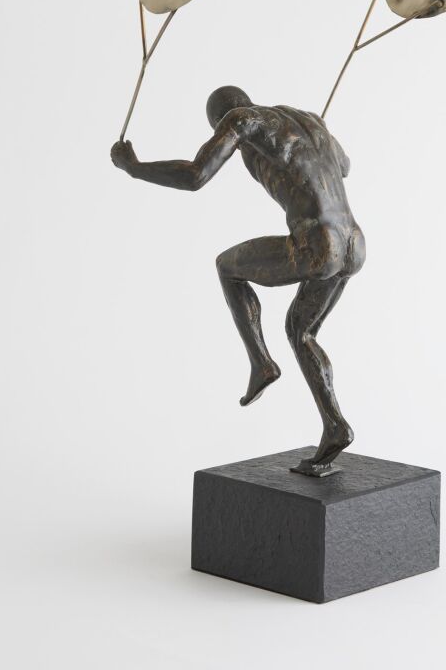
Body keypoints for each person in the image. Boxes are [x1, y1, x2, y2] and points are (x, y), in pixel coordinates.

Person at [110, 85, 365, 475]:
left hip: (317, 243)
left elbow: (196, 175)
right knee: (301, 331)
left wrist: (134, 167)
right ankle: (335, 425)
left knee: (227, 267)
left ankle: (261, 363)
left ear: (220, 120)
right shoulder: (311, 121)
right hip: (353, 244)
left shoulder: (243, 121)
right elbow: (344, 166)